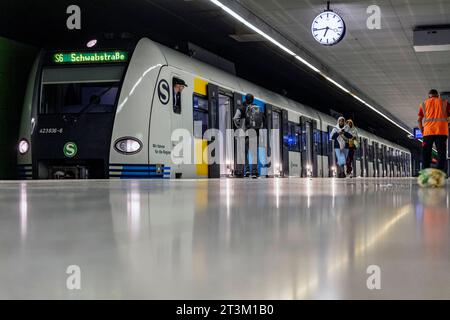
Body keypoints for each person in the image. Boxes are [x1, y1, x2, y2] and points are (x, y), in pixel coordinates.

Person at [418, 89, 450, 174]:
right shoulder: (445, 103)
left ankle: (425, 171)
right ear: (438, 95)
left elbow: (419, 120)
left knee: (426, 152)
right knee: (441, 152)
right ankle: (439, 172)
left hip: (428, 132)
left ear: (429, 96)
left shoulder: (423, 104)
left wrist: (422, 131)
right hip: (441, 131)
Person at [233, 94, 263, 178]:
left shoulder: (241, 107)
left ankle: (246, 171)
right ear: (253, 100)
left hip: (244, 134)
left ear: (245, 99)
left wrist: (239, 127)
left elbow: (235, 118)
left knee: (243, 153)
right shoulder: (257, 108)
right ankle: (254, 171)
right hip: (254, 134)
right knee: (254, 153)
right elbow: (262, 122)